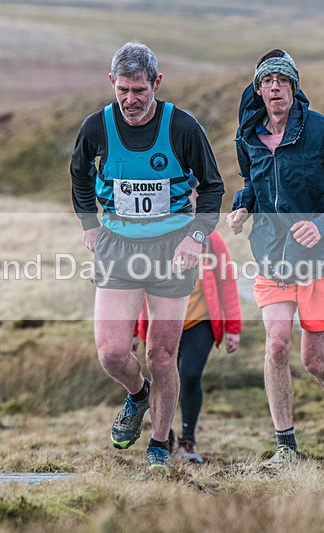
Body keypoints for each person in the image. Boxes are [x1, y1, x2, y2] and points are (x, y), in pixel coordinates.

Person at [70, 41, 224, 469]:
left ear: (156, 82)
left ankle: (159, 444)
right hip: (118, 245)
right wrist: (89, 225)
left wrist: (195, 237)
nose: (131, 100)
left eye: (140, 90)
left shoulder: (182, 127)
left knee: (161, 353)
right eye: (123, 90)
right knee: (112, 352)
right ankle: (137, 394)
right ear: (111, 84)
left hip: (171, 247)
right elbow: (79, 175)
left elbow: (213, 187)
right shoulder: (96, 127)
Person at [227, 49, 324, 466]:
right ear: (258, 89)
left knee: (313, 361)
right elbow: (254, 182)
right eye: (267, 81)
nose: (275, 87)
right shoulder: (249, 136)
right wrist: (243, 206)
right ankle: (285, 447)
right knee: (276, 346)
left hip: (323, 258)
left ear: (294, 87)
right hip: (273, 256)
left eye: (283, 80)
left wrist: (322, 224)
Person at [136, 191, 242, 463]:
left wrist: (233, 327)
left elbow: (227, 282)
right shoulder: (152, 236)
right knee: (162, 377)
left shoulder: (211, 240)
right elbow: (138, 286)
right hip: (162, 320)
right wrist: (134, 329)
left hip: (200, 322)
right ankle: (164, 435)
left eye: (193, 192)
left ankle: (188, 440)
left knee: (190, 376)